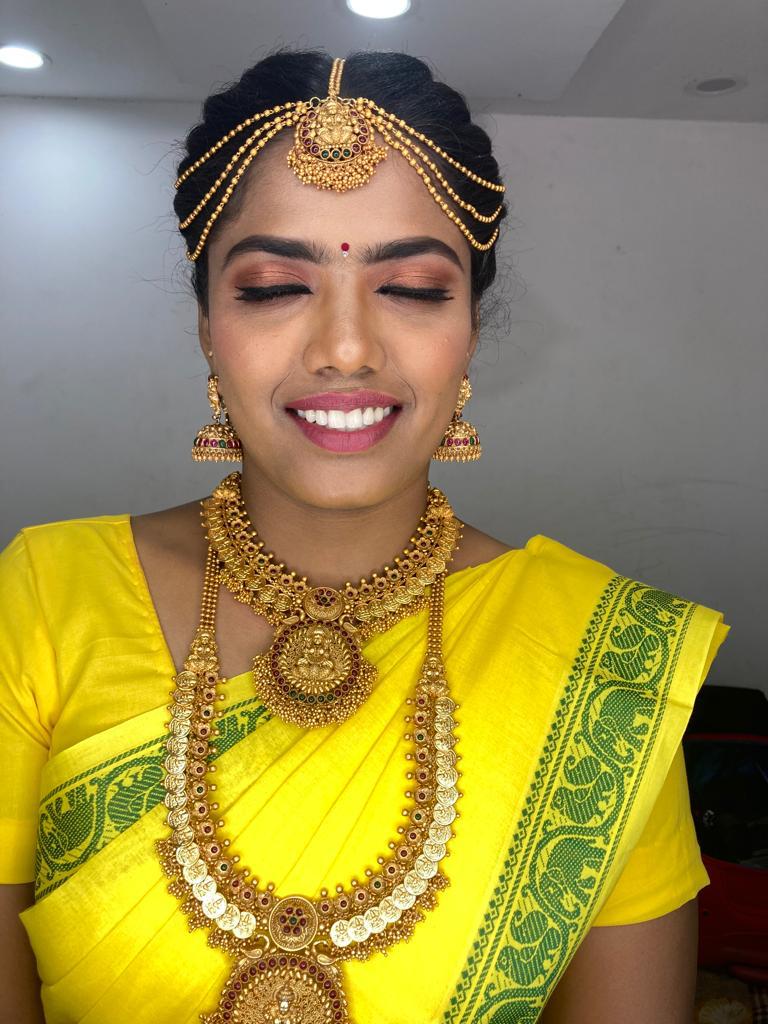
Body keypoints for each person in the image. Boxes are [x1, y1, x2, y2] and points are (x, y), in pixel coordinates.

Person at [0, 50, 729, 1024]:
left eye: (414, 288)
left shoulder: (607, 665)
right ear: (208, 326)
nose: (345, 348)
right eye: (273, 287)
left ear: (470, 329)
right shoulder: (48, 594)